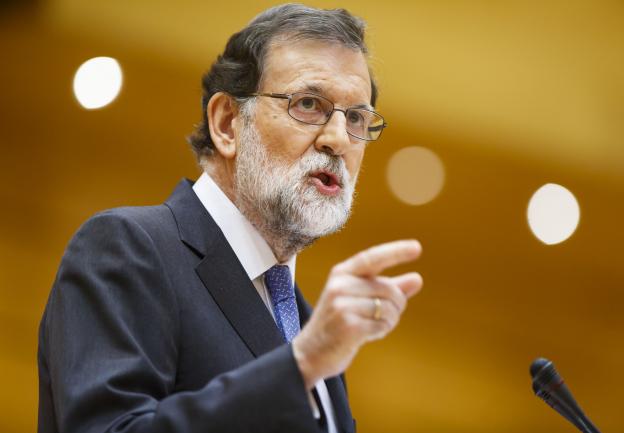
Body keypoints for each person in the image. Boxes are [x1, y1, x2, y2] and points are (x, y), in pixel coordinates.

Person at [37, 4, 423, 433]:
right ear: (226, 124)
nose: (337, 140)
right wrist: (300, 364)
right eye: (309, 104)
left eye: (355, 118)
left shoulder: (309, 323)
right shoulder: (128, 248)